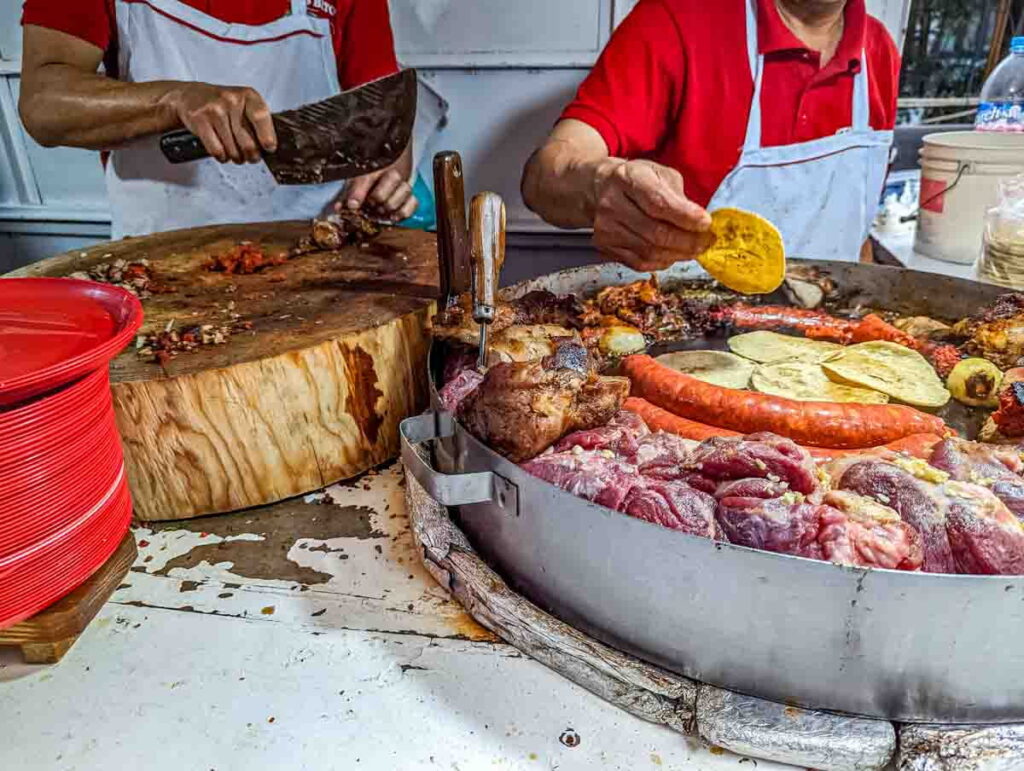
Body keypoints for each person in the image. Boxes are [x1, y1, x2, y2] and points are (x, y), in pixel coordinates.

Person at [521, 0, 900, 271]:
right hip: (688, 334)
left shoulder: (880, 51)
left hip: (828, 343)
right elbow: (544, 175)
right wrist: (600, 185)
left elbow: (855, 233)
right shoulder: (677, 18)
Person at [19, 0, 418, 239]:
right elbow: (43, 103)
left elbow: (385, 130)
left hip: (313, 252)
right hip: (158, 263)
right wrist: (173, 101)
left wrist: (380, 183)